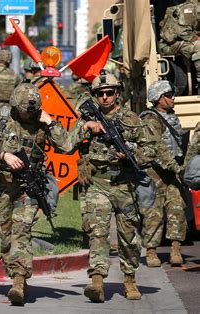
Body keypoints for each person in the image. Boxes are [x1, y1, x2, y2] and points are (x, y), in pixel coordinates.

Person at [0, 83, 73, 305]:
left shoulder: (42, 121)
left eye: (32, 111)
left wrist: (50, 122)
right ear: (14, 106)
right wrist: (3, 155)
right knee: (4, 234)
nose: (28, 115)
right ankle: (16, 272)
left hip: (27, 187)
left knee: (22, 230)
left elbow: (67, 146)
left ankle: (19, 281)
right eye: (24, 111)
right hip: (1, 186)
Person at [70, 70, 157, 303]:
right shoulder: (88, 119)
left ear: (118, 93)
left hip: (125, 184)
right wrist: (87, 126)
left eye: (110, 92)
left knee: (128, 236)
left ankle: (129, 280)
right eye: (100, 93)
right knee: (97, 232)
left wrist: (131, 155)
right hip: (98, 183)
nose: (105, 97)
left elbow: (151, 150)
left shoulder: (131, 119)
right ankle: (97, 281)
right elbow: (68, 144)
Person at [139, 80, 188, 267]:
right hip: (154, 173)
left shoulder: (172, 117)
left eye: (172, 94)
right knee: (153, 214)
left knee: (177, 209)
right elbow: (158, 149)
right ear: (157, 98)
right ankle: (151, 252)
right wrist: (177, 169)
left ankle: (176, 249)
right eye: (168, 95)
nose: (173, 97)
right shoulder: (150, 119)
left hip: (171, 171)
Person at [159, 0, 200, 93]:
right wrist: (196, 38)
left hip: (183, 42)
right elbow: (183, 32)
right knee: (198, 46)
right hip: (170, 45)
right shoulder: (189, 7)